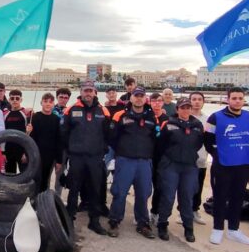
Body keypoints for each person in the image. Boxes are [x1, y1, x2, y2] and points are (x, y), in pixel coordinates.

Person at [204, 87, 249, 246]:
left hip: (243, 163)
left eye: (240, 98)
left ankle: (234, 229)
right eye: (234, 98)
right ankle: (217, 229)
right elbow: (207, 140)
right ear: (228, 99)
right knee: (220, 197)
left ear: (244, 99)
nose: (237, 101)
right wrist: (217, 155)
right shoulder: (215, 117)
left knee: (238, 197)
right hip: (223, 164)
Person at [106, 87, 157, 239]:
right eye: (136, 96)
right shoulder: (120, 115)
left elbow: (156, 138)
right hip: (125, 160)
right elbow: (112, 137)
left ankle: (143, 223)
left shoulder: (151, 116)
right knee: (119, 193)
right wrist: (118, 155)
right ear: (131, 98)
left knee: (143, 193)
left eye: (142, 96)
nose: (139, 99)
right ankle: (114, 221)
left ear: (145, 98)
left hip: (144, 162)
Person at [61, 80, 110, 234]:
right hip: (77, 157)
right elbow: (64, 133)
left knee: (95, 188)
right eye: (85, 90)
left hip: (95, 158)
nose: (88, 93)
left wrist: (103, 151)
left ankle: (94, 221)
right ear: (81, 92)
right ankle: (69, 218)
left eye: (90, 90)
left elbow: (108, 133)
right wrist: (68, 152)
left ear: (95, 92)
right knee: (73, 188)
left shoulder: (103, 111)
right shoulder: (70, 110)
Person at [156, 98, 204, 242]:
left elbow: (198, 143)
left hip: (189, 166)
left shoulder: (197, 125)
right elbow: (160, 144)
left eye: (188, 107)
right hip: (171, 165)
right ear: (177, 109)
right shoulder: (169, 123)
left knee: (187, 198)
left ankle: (188, 227)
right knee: (168, 196)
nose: (186, 110)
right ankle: (162, 224)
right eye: (183, 107)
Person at [26, 93, 61, 192]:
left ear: (54, 104)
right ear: (41, 103)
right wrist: (28, 131)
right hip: (35, 153)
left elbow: (59, 140)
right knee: (34, 179)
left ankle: (42, 201)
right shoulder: (33, 117)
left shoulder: (57, 120)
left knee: (45, 180)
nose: (48, 104)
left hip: (50, 155)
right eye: (45, 101)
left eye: (50, 102)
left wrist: (59, 160)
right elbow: (27, 138)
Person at [147, 92, 171, 222]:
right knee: (144, 187)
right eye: (154, 101)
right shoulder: (146, 117)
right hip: (146, 157)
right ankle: (141, 212)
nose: (157, 103)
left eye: (159, 101)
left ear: (163, 102)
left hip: (161, 159)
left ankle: (155, 212)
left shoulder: (168, 119)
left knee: (159, 187)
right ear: (150, 102)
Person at [186, 92, 208, 225]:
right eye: (194, 99)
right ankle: (183, 210)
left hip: (201, 159)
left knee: (198, 188)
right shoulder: (184, 117)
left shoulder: (207, 119)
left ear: (203, 102)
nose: (196, 102)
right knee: (185, 187)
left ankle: (194, 210)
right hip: (185, 160)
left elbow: (209, 140)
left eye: (199, 99)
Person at [3, 89, 29, 174]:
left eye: (17, 98)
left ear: (21, 100)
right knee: (9, 175)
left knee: (24, 175)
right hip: (8, 149)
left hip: (22, 149)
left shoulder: (26, 113)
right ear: (9, 100)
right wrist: (3, 152)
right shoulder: (5, 113)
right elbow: (2, 133)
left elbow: (29, 134)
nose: (14, 100)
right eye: (12, 98)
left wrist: (26, 152)